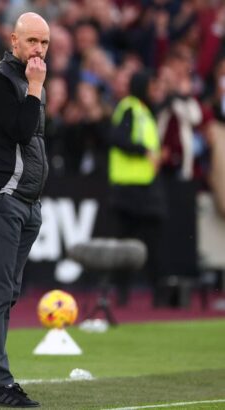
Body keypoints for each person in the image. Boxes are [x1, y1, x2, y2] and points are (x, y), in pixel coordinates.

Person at [0, 12, 48, 408]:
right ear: (13, 41)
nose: (38, 50)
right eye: (32, 41)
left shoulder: (27, 82)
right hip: (2, 197)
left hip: (26, 203)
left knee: (8, 293)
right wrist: (35, 87)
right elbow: (19, 130)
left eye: (45, 43)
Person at [108, 70, 167, 306]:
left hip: (143, 188)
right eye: (152, 86)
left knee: (145, 244)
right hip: (130, 190)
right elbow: (117, 138)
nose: (155, 91)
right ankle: (126, 293)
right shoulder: (130, 108)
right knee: (132, 244)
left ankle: (153, 293)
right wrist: (145, 151)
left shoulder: (143, 111)